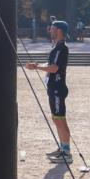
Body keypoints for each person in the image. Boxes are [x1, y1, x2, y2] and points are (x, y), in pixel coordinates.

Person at [26, 20, 72, 163]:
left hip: (58, 88)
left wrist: (38, 67)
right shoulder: (56, 47)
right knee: (56, 119)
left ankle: (66, 153)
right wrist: (37, 66)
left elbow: (54, 68)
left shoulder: (61, 48)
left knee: (60, 120)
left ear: (58, 30)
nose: (49, 31)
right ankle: (62, 147)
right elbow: (51, 65)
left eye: (51, 28)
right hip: (54, 88)